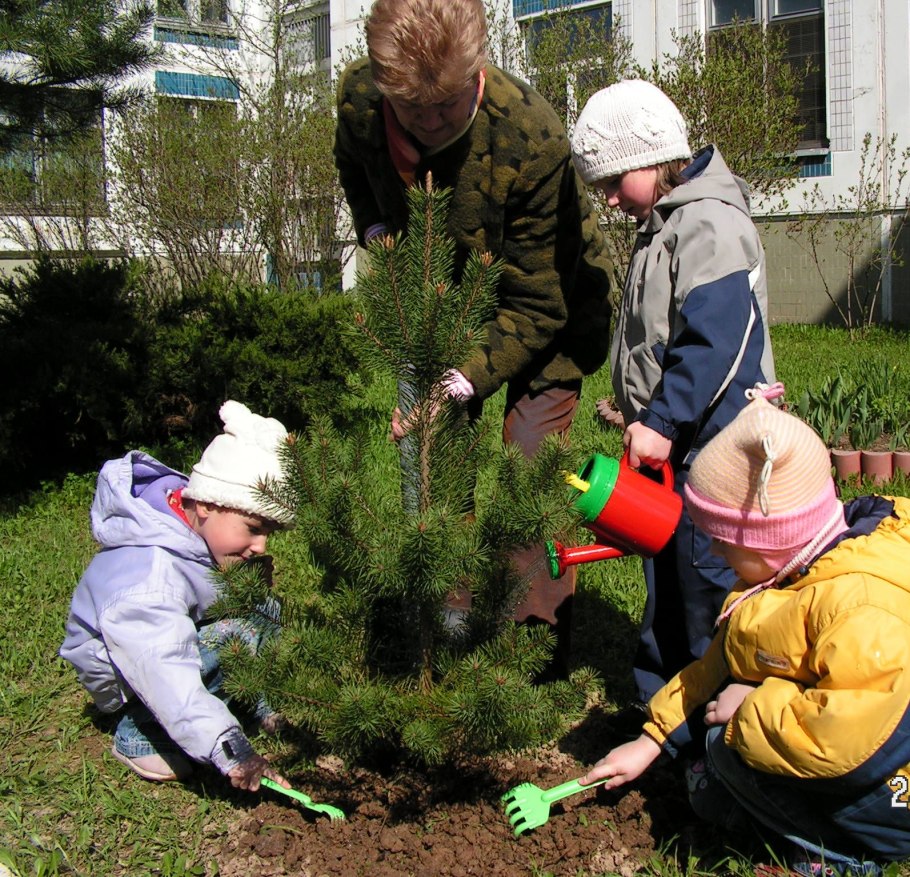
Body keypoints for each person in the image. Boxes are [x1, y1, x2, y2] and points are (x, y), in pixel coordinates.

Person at [334, 0, 613, 676]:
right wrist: (373, 222)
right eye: (414, 112)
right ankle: (451, 640)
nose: (429, 125)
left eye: (445, 108)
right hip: (442, 301)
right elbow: (352, 164)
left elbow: (536, 300)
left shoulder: (530, 134)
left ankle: (530, 659)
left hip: (547, 311)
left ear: (475, 72)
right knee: (439, 468)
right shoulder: (363, 100)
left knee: (529, 469)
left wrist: (466, 377)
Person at [578, 390, 910, 876]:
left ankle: (843, 857)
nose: (712, 548)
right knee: (722, 750)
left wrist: (750, 712)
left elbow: (850, 742)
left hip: (891, 782)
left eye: (722, 539)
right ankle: (770, 813)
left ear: (767, 540)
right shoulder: (783, 576)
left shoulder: (860, 606)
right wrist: (651, 741)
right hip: (850, 752)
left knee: (725, 745)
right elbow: (719, 666)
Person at [570, 79, 775, 735]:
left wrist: (660, 420)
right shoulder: (666, 221)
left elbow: (712, 339)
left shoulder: (709, 220)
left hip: (715, 451)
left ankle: (712, 738)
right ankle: (660, 725)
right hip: (677, 449)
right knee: (666, 583)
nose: (605, 196)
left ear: (652, 157)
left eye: (611, 179)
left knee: (703, 592)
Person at [60, 400, 294, 789]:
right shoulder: (149, 579)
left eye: (268, 531)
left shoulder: (192, 522)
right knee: (236, 634)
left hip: (165, 648)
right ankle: (137, 734)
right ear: (206, 503)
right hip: (136, 679)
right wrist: (232, 750)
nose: (261, 544)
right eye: (253, 528)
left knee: (261, 607)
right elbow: (162, 665)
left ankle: (254, 705)